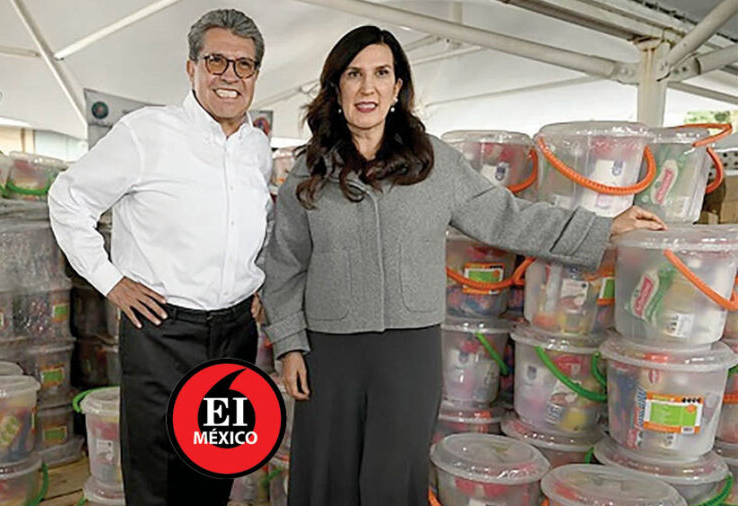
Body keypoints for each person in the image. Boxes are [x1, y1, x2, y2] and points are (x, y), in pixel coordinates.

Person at [260, 25, 666, 506]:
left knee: (393, 480)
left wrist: (601, 228)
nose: (368, 87)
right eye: (354, 74)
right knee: (325, 476)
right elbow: (285, 263)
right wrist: (290, 345)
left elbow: (507, 217)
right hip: (329, 351)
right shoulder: (309, 171)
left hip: (408, 351)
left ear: (397, 88)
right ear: (336, 87)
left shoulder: (432, 162)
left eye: (381, 74)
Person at [47, 9, 271, 506]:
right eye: (216, 61)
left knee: (216, 466)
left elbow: (253, 223)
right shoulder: (147, 133)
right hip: (163, 329)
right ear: (191, 68)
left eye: (244, 65)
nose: (230, 76)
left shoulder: (257, 148)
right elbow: (67, 199)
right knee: (158, 475)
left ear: (255, 74)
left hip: (235, 332)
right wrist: (110, 281)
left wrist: (254, 280)